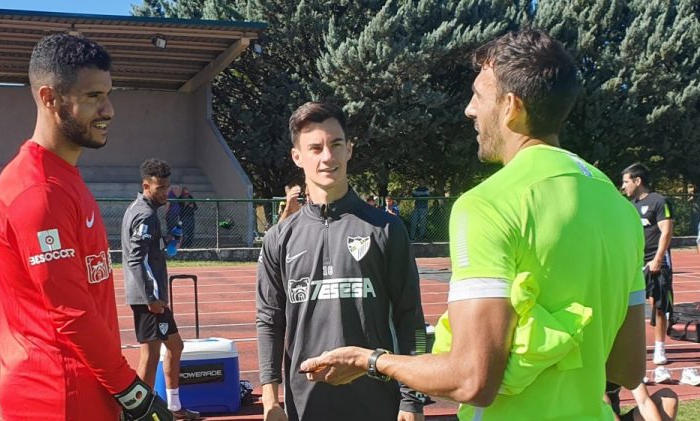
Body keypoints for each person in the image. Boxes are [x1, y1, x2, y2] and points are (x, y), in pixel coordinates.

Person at [301, 29, 647, 421]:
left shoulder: (488, 205)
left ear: (510, 107)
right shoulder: (618, 206)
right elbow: (628, 369)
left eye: (479, 96)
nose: (469, 109)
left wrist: (370, 359)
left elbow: (472, 380)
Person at [0, 34, 173, 420]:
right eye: (93, 97)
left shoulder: (63, 177)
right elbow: (70, 312)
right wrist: (131, 392)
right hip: (58, 397)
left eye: (108, 94)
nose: (109, 109)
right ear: (49, 98)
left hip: (85, 389)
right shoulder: (37, 192)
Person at [256, 101, 427, 421]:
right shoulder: (280, 237)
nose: (327, 157)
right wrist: (270, 399)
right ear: (298, 156)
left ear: (349, 149)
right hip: (306, 405)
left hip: (377, 403)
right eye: (315, 148)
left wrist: (412, 400)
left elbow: (410, 318)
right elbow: (269, 321)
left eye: (336, 145)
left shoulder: (386, 229)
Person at [122, 158, 199, 420]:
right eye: (160, 188)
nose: (165, 193)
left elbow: (146, 252)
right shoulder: (145, 214)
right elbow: (135, 258)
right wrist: (152, 298)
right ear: (146, 185)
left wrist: (166, 241)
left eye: (167, 187)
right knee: (150, 355)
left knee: (173, 347)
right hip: (148, 299)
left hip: (151, 297)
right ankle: (137, 413)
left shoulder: (144, 212)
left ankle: (174, 406)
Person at [621, 163, 674, 365]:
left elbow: (666, 231)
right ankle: (633, 348)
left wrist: (658, 259)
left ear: (638, 181)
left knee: (658, 305)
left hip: (655, 261)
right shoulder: (629, 206)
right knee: (630, 306)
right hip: (635, 263)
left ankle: (660, 348)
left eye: (626, 181)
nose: (623, 186)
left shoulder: (659, 201)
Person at [606, 382, 678, 421]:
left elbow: (644, 402)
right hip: (602, 418)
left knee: (668, 396)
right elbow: (607, 411)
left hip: (616, 417)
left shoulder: (625, 362)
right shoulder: (595, 366)